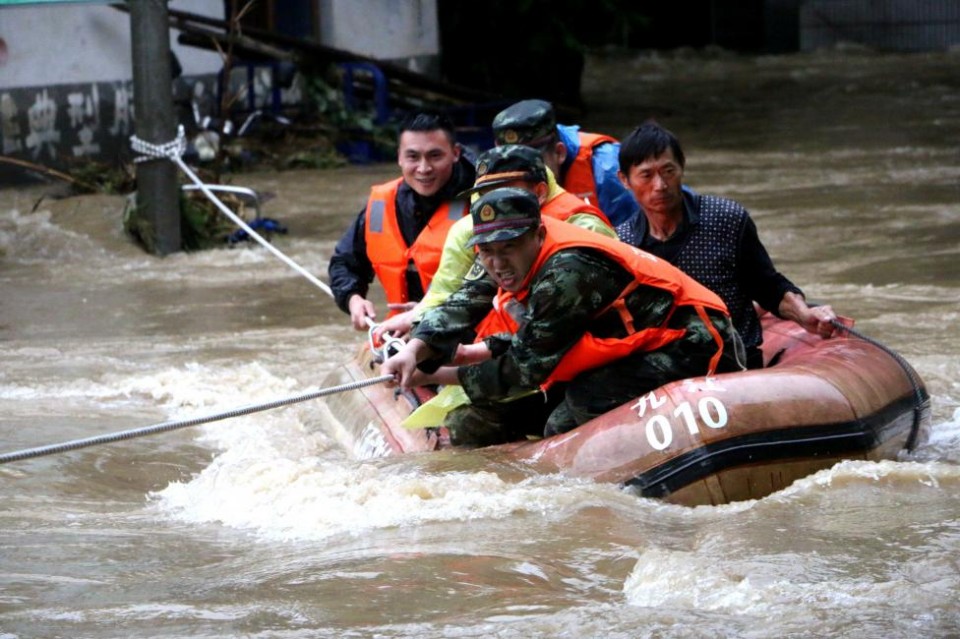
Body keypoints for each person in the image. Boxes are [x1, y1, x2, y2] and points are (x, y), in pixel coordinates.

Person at [381, 188, 744, 448]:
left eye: (508, 248)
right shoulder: (497, 252)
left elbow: (526, 369)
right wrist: (415, 351)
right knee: (479, 422)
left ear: (538, 235)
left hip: (695, 340)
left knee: (576, 409)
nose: (497, 263)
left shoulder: (567, 272)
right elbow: (463, 301)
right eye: (487, 252)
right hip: (619, 343)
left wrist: (444, 373)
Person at [615, 120, 839, 369]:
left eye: (668, 171)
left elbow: (767, 285)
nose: (660, 185)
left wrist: (804, 314)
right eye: (646, 175)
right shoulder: (622, 245)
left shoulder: (726, 219)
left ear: (682, 168)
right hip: (666, 368)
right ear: (625, 180)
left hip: (735, 360)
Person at [372, 143, 615, 341]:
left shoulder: (583, 229)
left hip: (587, 345)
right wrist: (421, 329)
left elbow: (549, 335)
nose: (497, 203)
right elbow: (464, 294)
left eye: (507, 191)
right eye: (487, 193)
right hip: (513, 344)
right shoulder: (481, 231)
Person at [327, 111, 476, 330]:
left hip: (465, 329)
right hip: (399, 328)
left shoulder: (482, 203)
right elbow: (344, 263)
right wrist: (353, 299)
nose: (424, 168)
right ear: (399, 157)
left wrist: (428, 315)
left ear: (455, 153)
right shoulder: (380, 204)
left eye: (435, 156)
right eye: (413, 157)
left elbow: (495, 284)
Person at [491, 99, 639, 227]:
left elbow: (637, 236)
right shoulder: (491, 170)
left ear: (559, 153)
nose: (523, 175)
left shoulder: (606, 167)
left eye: (532, 164)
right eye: (513, 165)